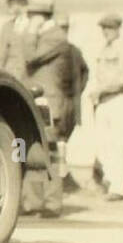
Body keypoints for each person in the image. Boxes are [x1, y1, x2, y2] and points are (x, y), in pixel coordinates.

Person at [19, 0, 67, 215]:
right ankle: (31, 201)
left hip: (49, 103)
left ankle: (52, 202)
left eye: (33, 16)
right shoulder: (44, 36)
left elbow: (30, 57)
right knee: (26, 149)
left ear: (42, 16)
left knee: (50, 153)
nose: (30, 20)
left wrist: (30, 32)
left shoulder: (55, 37)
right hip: (35, 100)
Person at [87, 13, 123, 201]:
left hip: (120, 99)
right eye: (104, 28)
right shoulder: (104, 48)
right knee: (103, 144)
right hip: (104, 101)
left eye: (109, 28)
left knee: (119, 144)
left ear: (118, 29)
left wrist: (99, 90)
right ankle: (110, 178)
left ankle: (118, 187)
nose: (106, 32)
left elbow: (122, 79)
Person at [53, 12, 89, 192]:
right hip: (60, 101)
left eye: (65, 28)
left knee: (62, 138)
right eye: (60, 28)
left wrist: (75, 92)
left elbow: (84, 72)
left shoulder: (73, 51)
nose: (63, 31)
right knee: (59, 139)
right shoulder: (57, 50)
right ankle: (62, 175)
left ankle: (62, 175)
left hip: (67, 102)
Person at [0, 0, 34, 80]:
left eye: (10, 0)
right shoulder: (7, 27)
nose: (7, 3)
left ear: (21, 1)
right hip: (10, 85)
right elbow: (0, 62)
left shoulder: (36, 26)